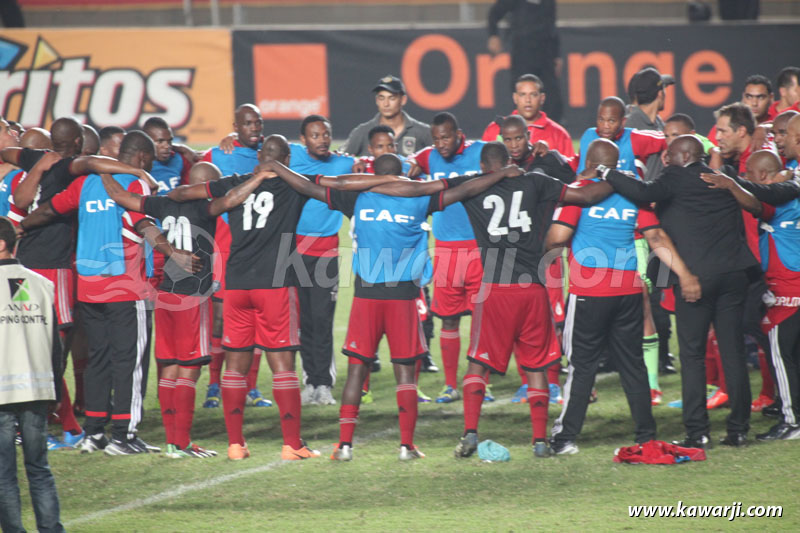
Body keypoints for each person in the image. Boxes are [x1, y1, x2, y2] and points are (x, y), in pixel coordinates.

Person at [265, 153, 491, 460]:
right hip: (403, 298)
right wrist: (501, 173)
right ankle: (406, 446)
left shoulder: (355, 198)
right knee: (406, 375)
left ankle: (344, 445)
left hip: (365, 298)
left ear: (375, 174)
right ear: (402, 176)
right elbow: (465, 189)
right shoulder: (417, 199)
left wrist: (276, 166)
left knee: (357, 371)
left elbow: (306, 187)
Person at [605, 135, 800, 448]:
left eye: (668, 154)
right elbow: (761, 196)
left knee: (693, 354)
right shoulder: (724, 180)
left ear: (681, 156)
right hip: (734, 275)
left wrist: (606, 172)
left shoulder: (674, 177)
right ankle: (738, 430)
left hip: (696, 278)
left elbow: (641, 191)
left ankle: (698, 432)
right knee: (732, 351)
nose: (664, 160)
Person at [19, 131, 185, 456]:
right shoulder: (135, 185)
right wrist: (174, 252)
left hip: (90, 287)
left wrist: (22, 225)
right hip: (126, 286)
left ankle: (94, 433)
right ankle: (124, 435)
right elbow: (143, 225)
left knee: (97, 360)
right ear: (141, 158)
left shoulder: (86, 184)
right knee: (129, 361)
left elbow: (51, 209)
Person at [547, 139, 700, 454]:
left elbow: (558, 238)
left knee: (582, 364)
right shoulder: (632, 194)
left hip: (589, 292)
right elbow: (656, 237)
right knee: (633, 364)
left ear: (588, 162)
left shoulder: (577, 192)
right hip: (629, 290)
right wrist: (684, 274)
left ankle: (565, 439)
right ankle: (646, 435)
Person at [408, 112, 486, 403]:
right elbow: (409, 164)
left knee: (482, 321)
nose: (441, 143)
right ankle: (451, 385)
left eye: (446, 137)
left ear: (459, 134)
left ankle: (481, 383)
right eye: (437, 138)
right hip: (445, 251)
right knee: (449, 320)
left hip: (478, 248)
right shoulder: (428, 157)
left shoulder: (479, 151)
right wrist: (412, 166)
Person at [201, 103, 272, 409]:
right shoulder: (217, 155)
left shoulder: (270, 156)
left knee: (256, 317)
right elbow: (190, 166)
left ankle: (251, 387)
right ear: (236, 126)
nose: (254, 128)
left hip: (259, 248)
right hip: (224, 246)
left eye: (258, 123)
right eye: (247, 124)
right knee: (219, 321)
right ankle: (214, 385)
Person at [0, 217, 64, 533]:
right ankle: (51, 529)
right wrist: (57, 394)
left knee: (3, 474)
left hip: (1, 394)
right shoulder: (41, 284)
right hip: (38, 390)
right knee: (39, 468)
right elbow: (56, 346)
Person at [730, 152, 800, 441]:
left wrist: (730, 184)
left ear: (760, 177)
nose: (745, 177)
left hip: (787, 290)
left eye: (747, 173)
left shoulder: (776, 202)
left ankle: (792, 420)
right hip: (789, 286)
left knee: (781, 354)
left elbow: (753, 203)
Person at [289, 115, 357, 406]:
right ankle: (310, 382)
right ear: (303, 140)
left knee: (323, 318)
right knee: (303, 321)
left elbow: (372, 166)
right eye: (315, 135)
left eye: (326, 134)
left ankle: (325, 384)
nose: (322, 140)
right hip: (293, 251)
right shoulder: (289, 157)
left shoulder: (344, 164)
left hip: (329, 252)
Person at [487, 0, 563, 122]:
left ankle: (554, 132)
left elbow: (552, 28)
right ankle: (523, 129)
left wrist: (556, 55)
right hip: (523, 53)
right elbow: (494, 13)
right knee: (523, 94)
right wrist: (493, 35)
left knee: (553, 98)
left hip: (545, 54)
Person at [482, 74, 573, 157]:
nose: (528, 100)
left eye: (533, 95)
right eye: (522, 95)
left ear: (542, 98)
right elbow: (483, 167)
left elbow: (568, 171)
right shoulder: (494, 129)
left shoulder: (559, 134)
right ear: (515, 98)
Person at [575, 97, 667, 179]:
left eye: (611, 121)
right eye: (601, 120)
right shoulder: (588, 135)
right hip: (588, 195)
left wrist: (668, 149)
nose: (605, 126)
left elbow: (670, 138)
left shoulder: (634, 138)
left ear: (623, 121)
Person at [341, 75, 432, 158]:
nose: (386, 104)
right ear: (377, 100)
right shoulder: (362, 131)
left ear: (403, 100)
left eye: (392, 98)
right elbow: (340, 158)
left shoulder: (423, 132)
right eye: (381, 98)